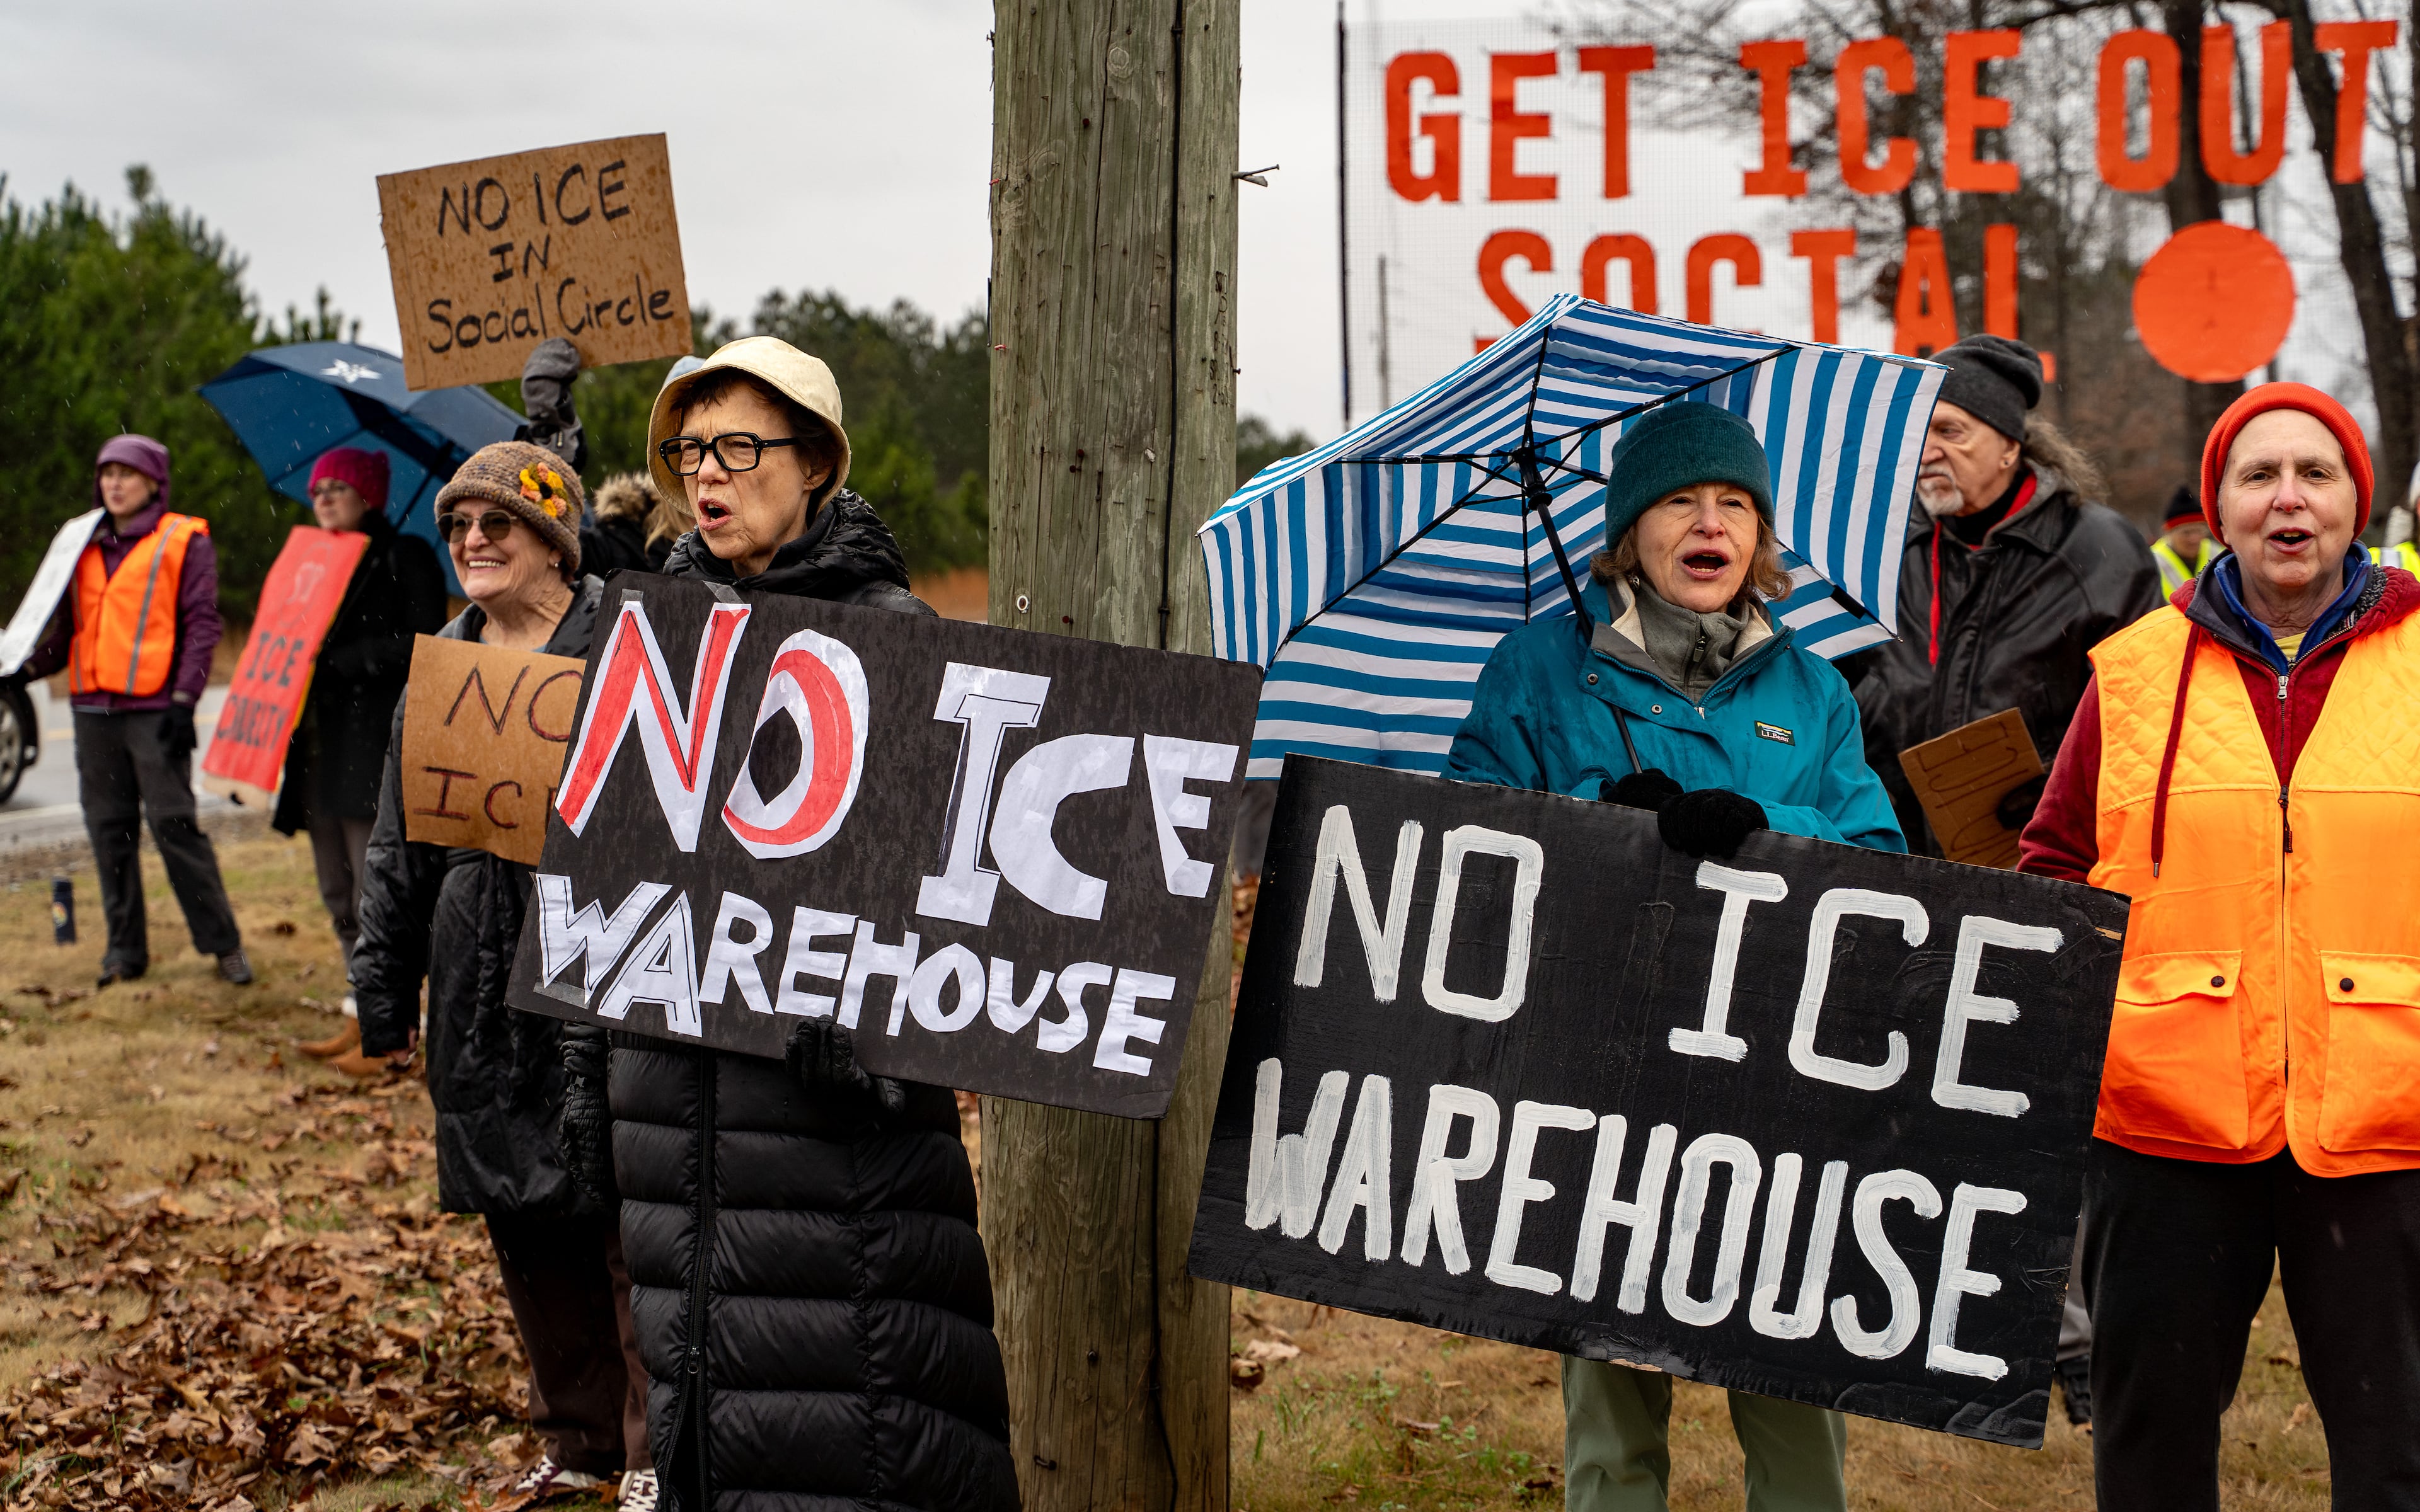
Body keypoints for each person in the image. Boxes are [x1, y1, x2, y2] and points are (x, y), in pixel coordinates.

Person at [553, 336, 1018, 1512]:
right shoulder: (650, 637)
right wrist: (581, 1052)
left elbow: (950, 922)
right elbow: (600, 877)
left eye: (739, 447)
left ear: (814, 463)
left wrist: (878, 1039)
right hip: (671, 1153)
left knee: (852, 1449)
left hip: (836, 1174)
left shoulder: (895, 634)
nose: (706, 473)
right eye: (688, 450)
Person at [1444, 400, 1902, 1512]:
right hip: (1599, 1068)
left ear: (1760, 538)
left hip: (1771, 1077)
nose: (1711, 524)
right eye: (1682, 501)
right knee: (1608, 1379)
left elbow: (1882, 859)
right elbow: (1471, 834)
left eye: (1735, 504)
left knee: (1790, 1371)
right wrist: (1607, 817)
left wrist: (1761, 827)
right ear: (1629, 532)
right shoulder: (1536, 669)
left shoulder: (1813, 687)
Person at [2019, 382, 2420, 1508]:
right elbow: (2052, 871)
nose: (2287, 499)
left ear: (2357, 500)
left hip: (2389, 1120)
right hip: (2166, 1124)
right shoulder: (2135, 675)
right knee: (2151, 1443)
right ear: (2218, 510)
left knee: (2401, 1452)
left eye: (2316, 473)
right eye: (2258, 476)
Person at [350, 442, 656, 1508]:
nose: (473, 543)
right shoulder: (443, 663)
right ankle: (579, 1446)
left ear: (556, 541)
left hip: (605, 953)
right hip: (475, 965)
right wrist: (381, 988)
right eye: (458, 529)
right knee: (519, 1208)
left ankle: (650, 1450)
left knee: (621, 1205)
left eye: (498, 526)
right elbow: (395, 844)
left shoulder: (625, 640)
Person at [1849, 335, 2162, 852]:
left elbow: (2142, 716)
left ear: (2009, 448)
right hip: (1888, 843)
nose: (1929, 451)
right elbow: (1834, 685)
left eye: (1951, 431)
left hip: (2032, 853)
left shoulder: (2098, 550)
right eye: (1919, 431)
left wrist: (2063, 786)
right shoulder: (1882, 541)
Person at [18, 435, 248, 987]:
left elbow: (202, 626)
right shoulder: (81, 545)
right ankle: (124, 953)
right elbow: (67, 634)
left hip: (155, 712)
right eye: (107, 473)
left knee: (174, 825)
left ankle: (224, 946)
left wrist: (185, 701)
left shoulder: (182, 539)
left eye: (127, 473)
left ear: (154, 482)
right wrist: (20, 672)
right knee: (108, 831)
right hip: (92, 712)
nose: (114, 484)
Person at [276, 448, 447, 1070]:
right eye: (316, 487)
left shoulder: (404, 557)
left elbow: (429, 645)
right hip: (320, 751)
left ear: (369, 494)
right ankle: (359, 1014)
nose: (321, 496)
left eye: (337, 486)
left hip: (370, 748)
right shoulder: (313, 564)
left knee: (379, 894)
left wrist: (356, 658)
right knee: (336, 890)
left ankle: (399, 1027)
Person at [2152, 484, 2218, 597]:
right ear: (2168, 532)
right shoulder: (2153, 562)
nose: (2194, 539)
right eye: (2186, 533)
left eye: (2199, 531)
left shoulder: (2218, 554)